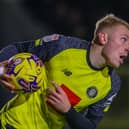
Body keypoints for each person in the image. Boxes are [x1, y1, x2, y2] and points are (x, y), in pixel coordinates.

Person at [0, 14, 129, 129]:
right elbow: (20, 47)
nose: (127, 48)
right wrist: (1, 69)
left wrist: (68, 110)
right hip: (11, 123)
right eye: (124, 39)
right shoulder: (61, 46)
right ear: (103, 38)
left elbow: (90, 125)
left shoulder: (112, 84)